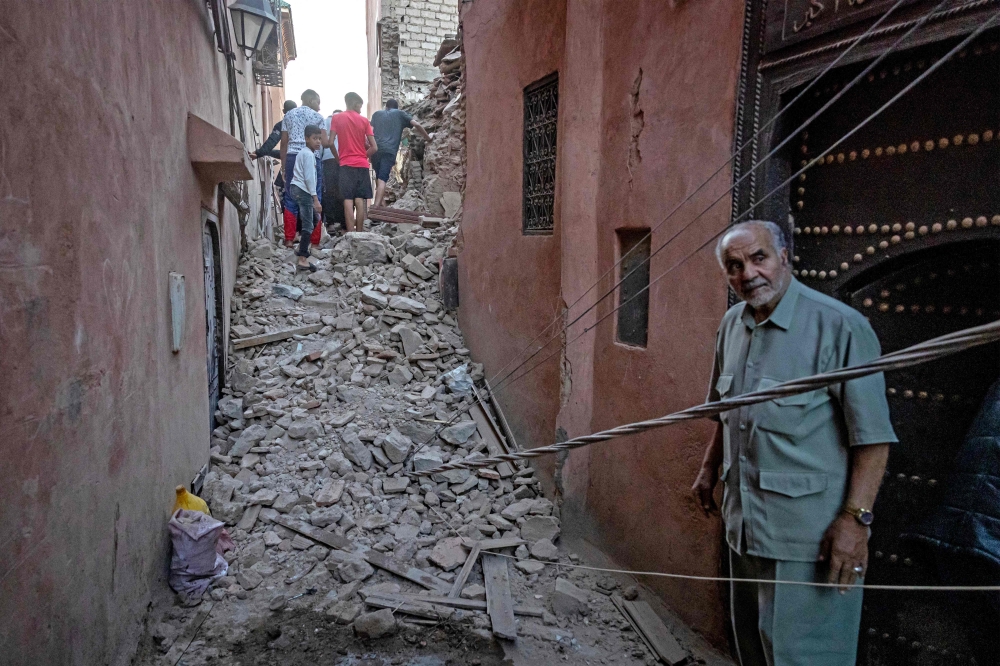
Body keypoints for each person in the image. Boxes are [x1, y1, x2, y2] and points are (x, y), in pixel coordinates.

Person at [691, 220, 897, 666]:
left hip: (808, 539)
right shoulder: (733, 324)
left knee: (804, 657)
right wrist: (710, 468)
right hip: (743, 528)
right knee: (753, 650)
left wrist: (855, 521)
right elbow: (727, 412)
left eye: (758, 258)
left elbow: (873, 439)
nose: (747, 273)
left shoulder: (840, 327)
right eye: (734, 265)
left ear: (784, 256)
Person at [280, 89, 327, 249]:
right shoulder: (318, 118)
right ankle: (314, 242)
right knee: (316, 196)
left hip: (292, 156)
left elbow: (284, 142)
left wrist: (284, 165)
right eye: (318, 102)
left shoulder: (289, 115)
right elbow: (325, 142)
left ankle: (289, 239)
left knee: (291, 197)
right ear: (310, 100)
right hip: (312, 156)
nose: (319, 107)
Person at [329, 92, 377, 233]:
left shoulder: (336, 118)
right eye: (360, 106)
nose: (360, 110)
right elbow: (374, 147)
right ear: (356, 104)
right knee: (360, 199)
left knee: (347, 199)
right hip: (362, 165)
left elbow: (330, 142)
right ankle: (360, 233)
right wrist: (363, 156)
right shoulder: (364, 121)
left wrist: (339, 159)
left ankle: (350, 233)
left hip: (345, 165)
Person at [370, 98, 430, 207]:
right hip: (389, 151)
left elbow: (369, 131)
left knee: (379, 177)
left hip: (375, 150)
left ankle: (380, 204)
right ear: (396, 107)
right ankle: (376, 206)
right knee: (383, 178)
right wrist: (427, 138)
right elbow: (416, 124)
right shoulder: (400, 114)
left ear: (386, 107)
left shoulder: (377, 114)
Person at [287, 125, 323, 272]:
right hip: (303, 190)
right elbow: (309, 178)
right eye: (314, 138)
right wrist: (315, 199)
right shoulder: (308, 155)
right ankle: (303, 259)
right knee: (308, 224)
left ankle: (300, 248)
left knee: (314, 219)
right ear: (306, 138)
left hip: (297, 188)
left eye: (320, 138)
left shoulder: (305, 153)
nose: (318, 142)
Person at [250, 100, 296, 192]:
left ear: (283, 111)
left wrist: (259, 153)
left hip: (290, 163)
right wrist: (264, 153)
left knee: (282, 190)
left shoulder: (282, 124)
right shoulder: (304, 125)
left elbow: (272, 141)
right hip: (308, 162)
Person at [321, 110, 347, 234]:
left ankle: (330, 223)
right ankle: (343, 224)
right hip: (343, 158)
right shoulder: (345, 120)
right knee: (343, 191)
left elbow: (323, 141)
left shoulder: (325, 121)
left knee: (329, 191)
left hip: (328, 158)